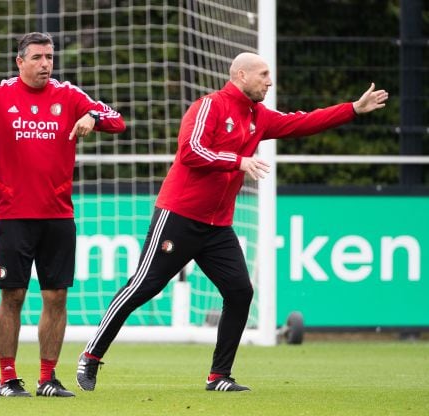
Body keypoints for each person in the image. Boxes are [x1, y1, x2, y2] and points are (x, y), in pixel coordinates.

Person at [76, 52, 389, 392]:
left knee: (240, 292)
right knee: (143, 287)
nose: (270, 81)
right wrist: (238, 162)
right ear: (241, 75)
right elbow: (190, 151)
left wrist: (352, 109)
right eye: (264, 74)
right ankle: (91, 357)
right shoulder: (210, 106)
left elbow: (301, 122)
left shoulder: (259, 116)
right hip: (179, 216)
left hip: (217, 227)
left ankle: (218, 376)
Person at [0, 32, 125, 398]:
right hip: (15, 215)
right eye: (37, 57)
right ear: (20, 62)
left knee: (56, 297)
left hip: (59, 215)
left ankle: (47, 378)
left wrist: (93, 117)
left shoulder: (68, 95)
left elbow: (117, 120)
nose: (45, 63)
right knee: (12, 296)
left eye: (49, 56)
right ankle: (6, 378)